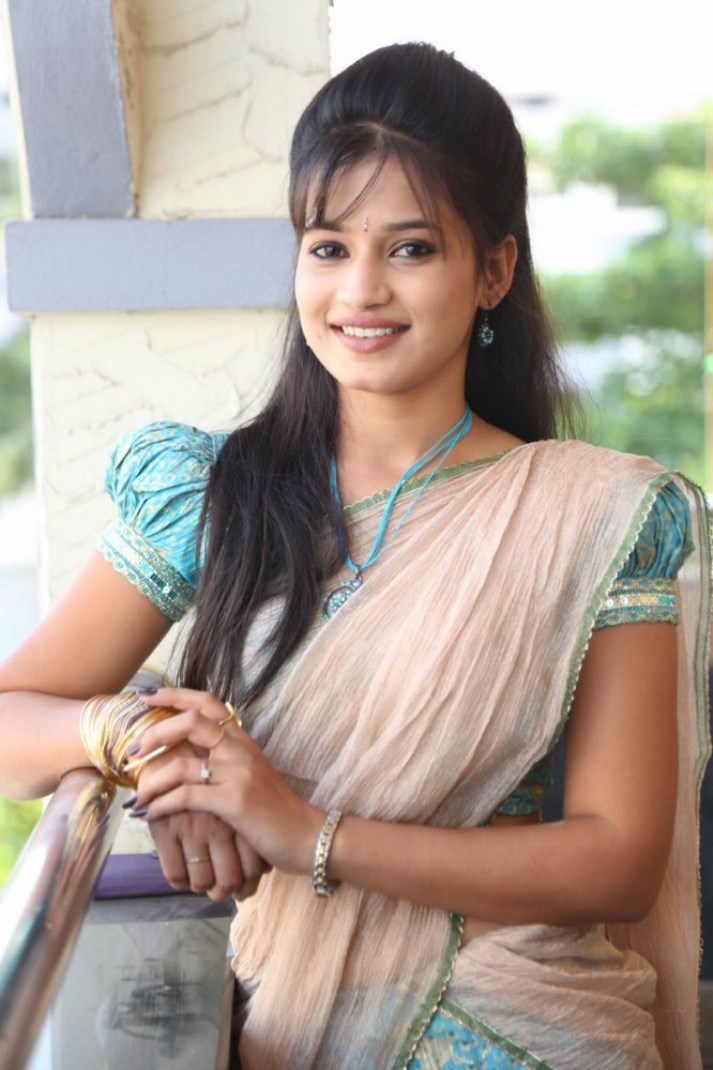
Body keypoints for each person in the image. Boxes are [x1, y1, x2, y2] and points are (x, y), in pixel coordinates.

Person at [0, 41, 709, 1070]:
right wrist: (141, 736)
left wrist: (305, 832)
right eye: (328, 247)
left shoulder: (594, 513)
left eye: (410, 248)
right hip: (299, 1031)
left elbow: (617, 860)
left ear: (493, 270)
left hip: (533, 1028)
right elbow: (12, 718)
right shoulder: (212, 499)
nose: (360, 290)